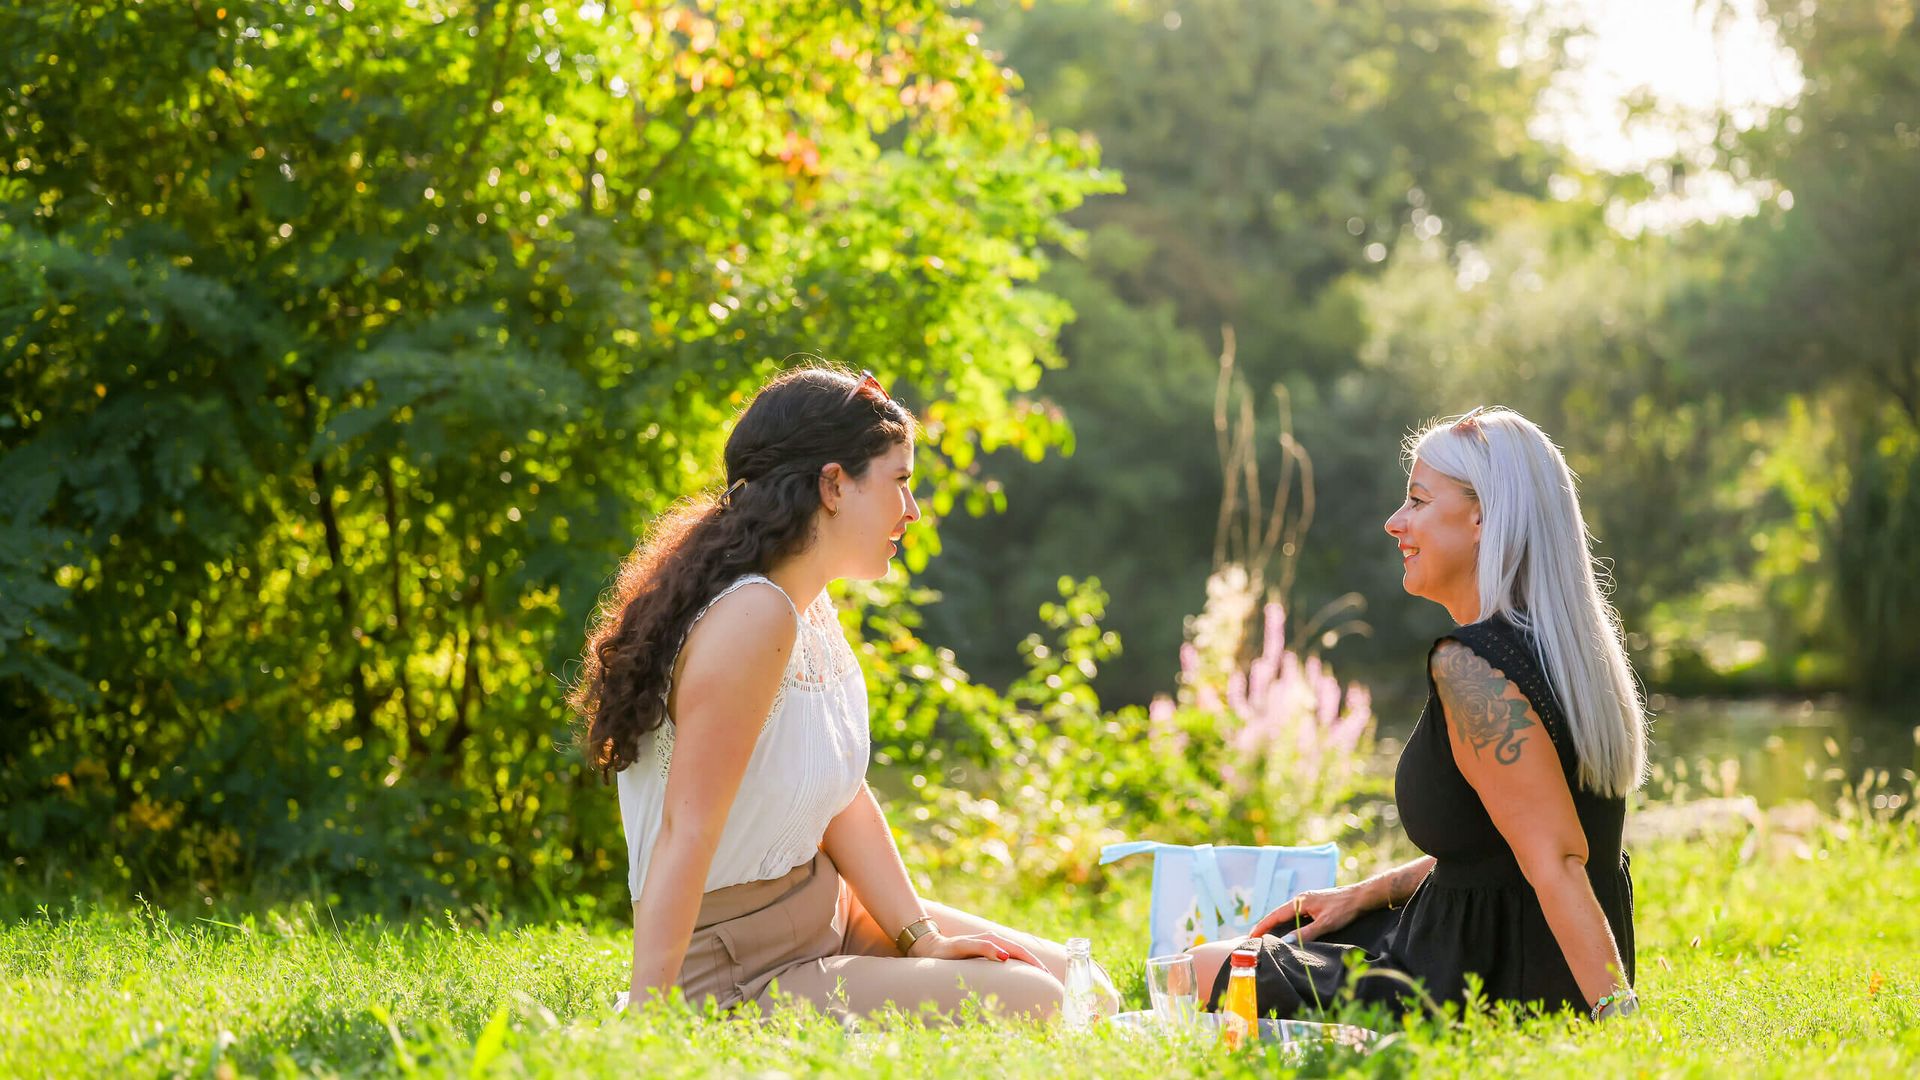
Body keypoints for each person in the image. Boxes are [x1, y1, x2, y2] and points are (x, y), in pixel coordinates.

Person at [572, 364, 1096, 1023]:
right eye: (900, 482)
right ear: (833, 484)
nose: (912, 510)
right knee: (1042, 1004)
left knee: (1082, 985)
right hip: (739, 965)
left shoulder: (808, 608)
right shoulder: (752, 615)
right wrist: (649, 1019)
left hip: (827, 914)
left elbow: (842, 797)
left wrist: (922, 939)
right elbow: (687, 827)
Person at [1190, 406, 1645, 1023]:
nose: (1394, 522)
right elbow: (1504, 840)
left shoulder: (1472, 668)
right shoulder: (1568, 653)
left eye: (1418, 501)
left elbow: (1557, 859)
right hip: (1498, 945)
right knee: (1284, 943)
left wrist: (1617, 1017)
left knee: (1211, 966)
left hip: (1481, 980)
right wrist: (1365, 894)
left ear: (1482, 515)